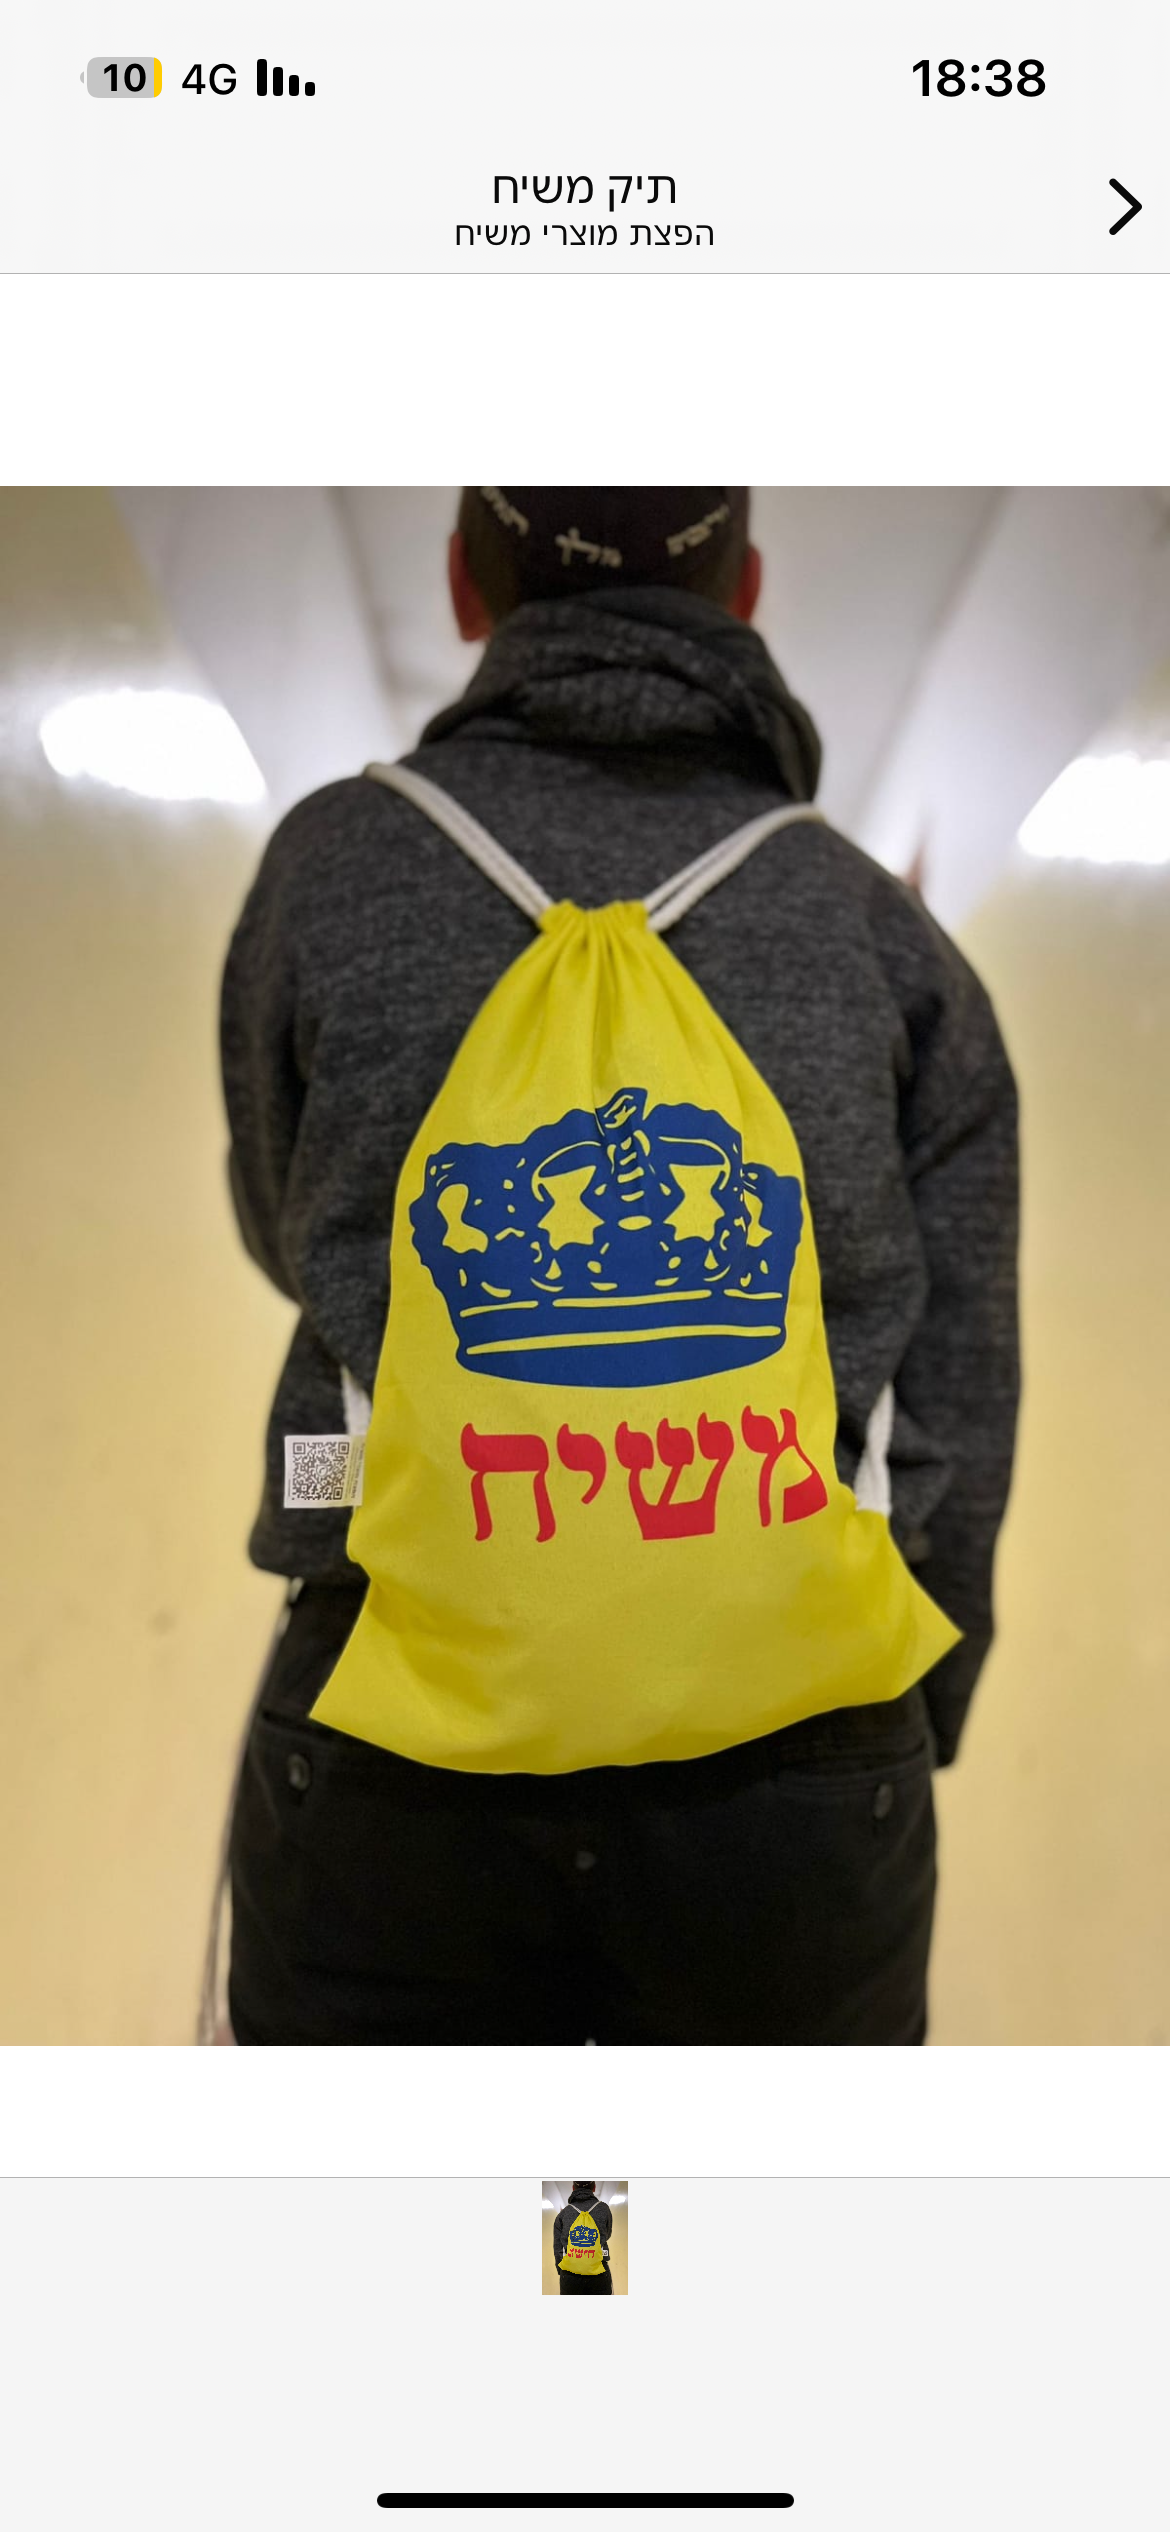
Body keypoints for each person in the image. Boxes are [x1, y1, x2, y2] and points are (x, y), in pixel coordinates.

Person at [220, 486, 1020, 2047]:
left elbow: (283, 1223)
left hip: (395, 1715)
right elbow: (963, 1368)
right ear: (747, 588)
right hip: (794, 1744)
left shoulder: (331, 868)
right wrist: (907, 1706)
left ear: (466, 585)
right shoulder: (880, 933)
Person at [553, 2185, 613, 2295]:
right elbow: (607, 2235)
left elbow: (558, 2247)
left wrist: (561, 2271)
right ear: (594, 2187)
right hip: (599, 2273)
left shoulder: (563, 2213)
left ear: (573, 2188)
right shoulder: (604, 2209)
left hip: (570, 2275)